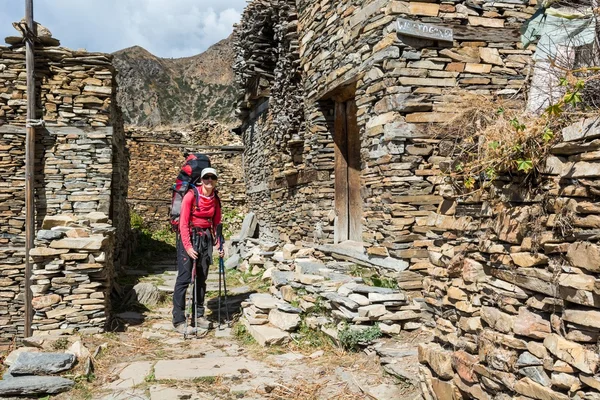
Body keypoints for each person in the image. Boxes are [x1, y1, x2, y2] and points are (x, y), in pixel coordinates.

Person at [172, 167, 224, 333]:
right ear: (201, 180)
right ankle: (179, 319)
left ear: (216, 180)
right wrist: (187, 246)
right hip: (190, 237)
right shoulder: (190, 196)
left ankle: (198, 315)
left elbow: (216, 224)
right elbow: (183, 223)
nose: (209, 181)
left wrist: (220, 245)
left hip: (205, 239)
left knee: (201, 278)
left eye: (212, 178)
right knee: (185, 278)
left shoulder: (215, 199)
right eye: (206, 178)